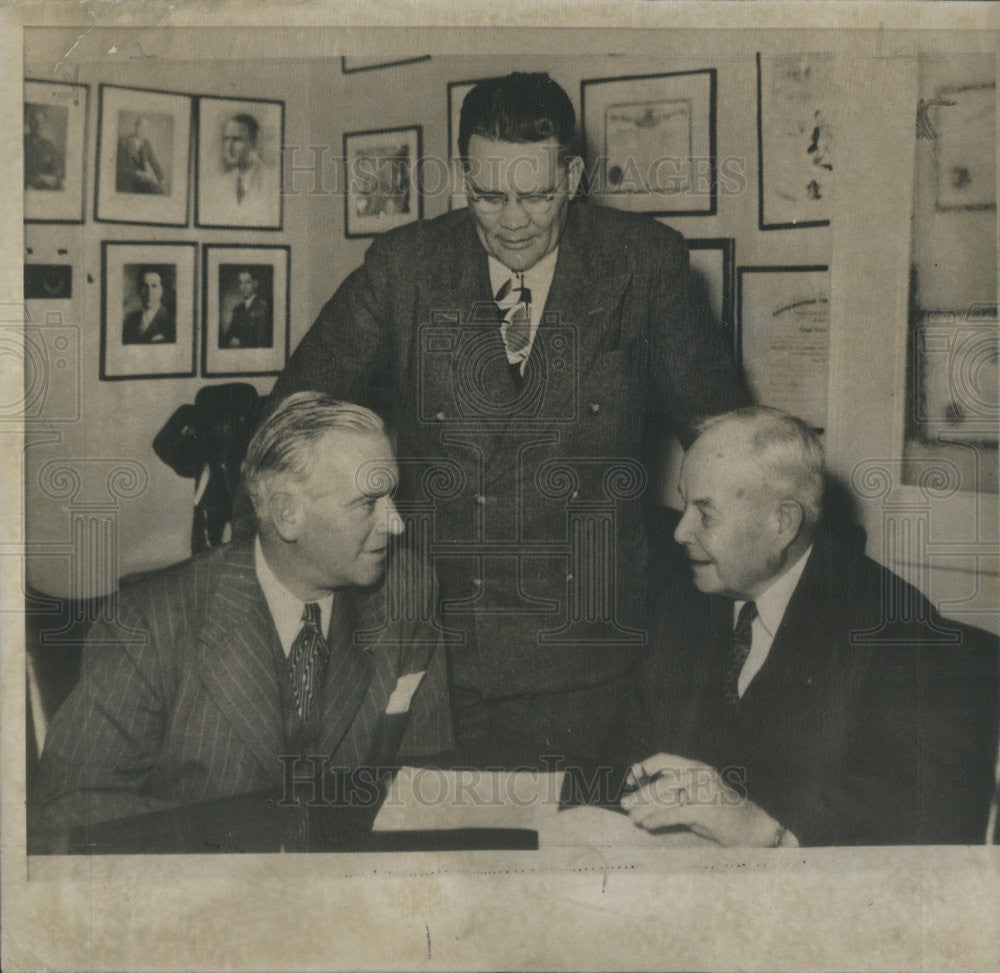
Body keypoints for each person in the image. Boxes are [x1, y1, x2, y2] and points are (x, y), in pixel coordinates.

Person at [268, 72, 747, 769]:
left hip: (585, 650)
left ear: (574, 175)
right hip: (431, 639)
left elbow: (725, 441)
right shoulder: (404, 268)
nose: (513, 219)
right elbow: (291, 421)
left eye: (536, 195)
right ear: (463, 174)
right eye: (489, 196)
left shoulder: (645, 264)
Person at [31, 393, 453, 831]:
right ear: (287, 515)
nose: (396, 523)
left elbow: (429, 779)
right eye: (369, 503)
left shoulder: (408, 589)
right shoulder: (149, 624)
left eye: (393, 497)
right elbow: (66, 808)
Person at [621, 407, 999, 846]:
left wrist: (766, 832)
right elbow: (635, 744)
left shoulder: (894, 628)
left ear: (782, 523)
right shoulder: (686, 597)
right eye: (684, 503)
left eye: (705, 513)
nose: (681, 532)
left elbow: (934, 813)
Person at [122, 268, 176, 345]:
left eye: (154, 286)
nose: (149, 292)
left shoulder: (172, 321)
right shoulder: (130, 319)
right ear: (139, 290)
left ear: (161, 290)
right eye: (145, 286)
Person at [116, 115, 166, 194]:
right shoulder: (124, 142)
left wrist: (161, 179)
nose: (143, 131)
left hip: (141, 180)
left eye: (145, 129)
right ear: (136, 127)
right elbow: (120, 166)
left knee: (159, 191)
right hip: (126, 180)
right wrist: (136, 172)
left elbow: (154, 162)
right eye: (141, 127)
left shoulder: (146, 144)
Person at [224, 268, 272, 348]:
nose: (243, 287)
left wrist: (240, 342)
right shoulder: (238, 308)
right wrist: (231, 339)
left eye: (247, 282)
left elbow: (263, 339)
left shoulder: (263, 307)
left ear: (255, 284)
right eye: (240, 283)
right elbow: (230, 333)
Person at [24, 104, 63, 191]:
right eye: (35, 121)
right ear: (29, 123)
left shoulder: (48, 144)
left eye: (41, 122)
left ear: (44, 124)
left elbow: (56, 167)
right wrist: (39, 178)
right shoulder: (22, 142)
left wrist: (55, 175)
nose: (38, 125)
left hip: (45, 187)